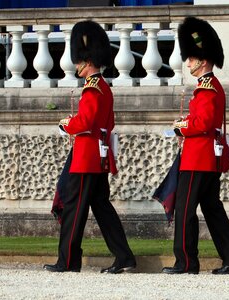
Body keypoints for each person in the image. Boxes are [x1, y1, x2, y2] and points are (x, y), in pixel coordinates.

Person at [44, 20, 136, 274]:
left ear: (87, 60)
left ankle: (68, 260)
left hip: (86, 158)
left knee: (74, 209)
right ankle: (124, 256)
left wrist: (66, 124)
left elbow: (85, 122)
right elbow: (107, 122)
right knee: (102, 209)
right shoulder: (103, 88)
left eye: (78, 60)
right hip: (98, 157)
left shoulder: (93, 88)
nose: (76, 65)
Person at [161, 17, 229, 275]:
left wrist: (181, 127)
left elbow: (204, 123)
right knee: (212, 209)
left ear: (203, 60)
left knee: (185, 209)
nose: (188, 63)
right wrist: (185, 123)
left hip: (198, 158)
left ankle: (186, 262)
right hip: (205, 157)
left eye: (191, 58)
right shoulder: (206, 88)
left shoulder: (208, 89)